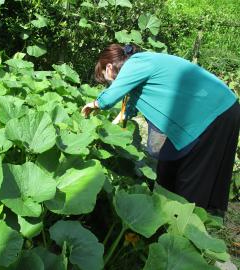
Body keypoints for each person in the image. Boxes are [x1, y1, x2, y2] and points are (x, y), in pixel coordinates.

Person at [81, 43, 240, 218]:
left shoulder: (136, 63)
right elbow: (131, 104)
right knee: (169, 170)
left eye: (107, 80)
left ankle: (187, 227)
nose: (110, 84)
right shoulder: (142, 65)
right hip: (214, 108)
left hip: (215, 111)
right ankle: (168, 216)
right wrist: (117, 121)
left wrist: (95, 104)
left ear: (109, 68)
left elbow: (110, 97)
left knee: (193, 173)